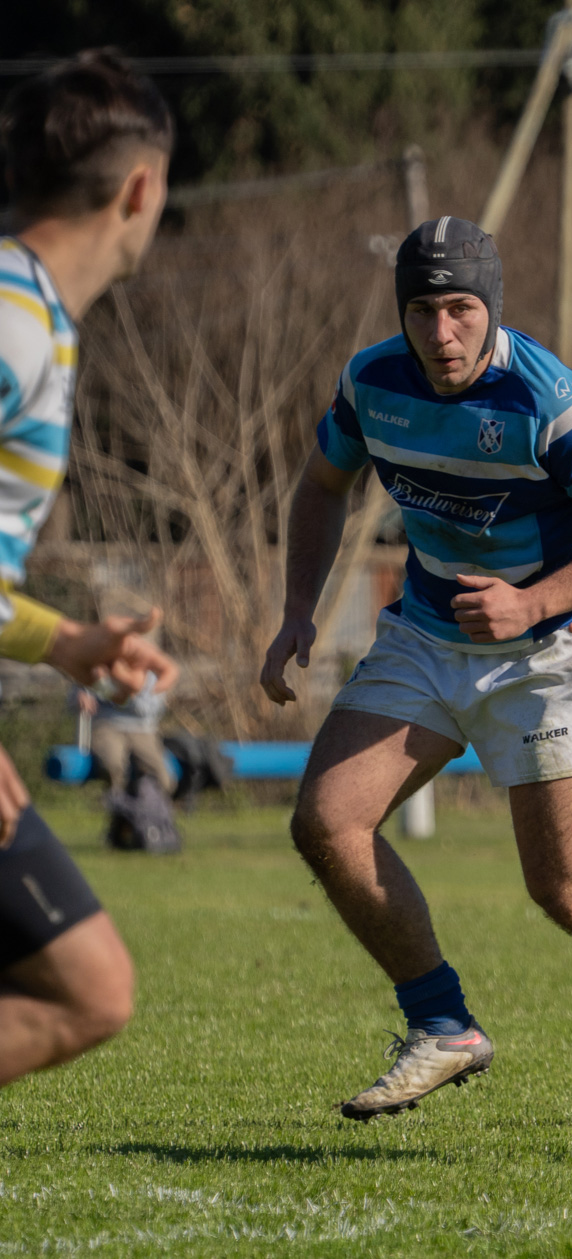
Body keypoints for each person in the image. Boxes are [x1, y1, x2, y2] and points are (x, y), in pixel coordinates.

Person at [260, 216, 572, 1123]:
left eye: (459, 310)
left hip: (549, 658)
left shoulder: (554, 402)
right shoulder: (371, 383)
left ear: (492, 309)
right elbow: (322, 484)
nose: (441, 333)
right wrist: (298, 607)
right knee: (327, 820)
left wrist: (534, 601)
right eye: (421, 311)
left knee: (569, 891)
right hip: (427, 638)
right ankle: (441, 1022)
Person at [0, 51, 181, 1086]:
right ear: (139, 190)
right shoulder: (13, 326)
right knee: (86, 983)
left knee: (90, 985)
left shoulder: (36, 321)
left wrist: (62, 641)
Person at [76, 670, 175, 796]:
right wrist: (81, 695)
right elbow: (80, 686)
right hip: (107, 724)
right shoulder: (103, 664)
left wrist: (122, 694)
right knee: (113, 765)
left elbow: (147, 708)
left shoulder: (152, 671)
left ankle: (147, 805)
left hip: (143, 729)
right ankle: (117, 803)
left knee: (165, 780)